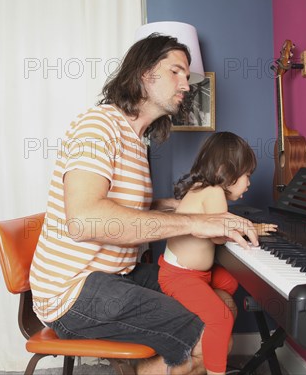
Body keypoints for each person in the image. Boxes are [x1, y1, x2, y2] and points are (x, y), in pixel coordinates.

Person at [29, 34, 259, 375]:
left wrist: (183, 208)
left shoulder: (135, 139)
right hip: (73, 290)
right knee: (212, 333)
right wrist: (196, 223)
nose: (187, 83)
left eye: (187, 75)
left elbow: (127, 204)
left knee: (220, 301)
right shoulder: (99, 126)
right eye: (176, 72)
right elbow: (85, 219)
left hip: (118, 274)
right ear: (143, 74)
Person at [158, 132, 278, 375]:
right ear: (226, 170)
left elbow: (219, 226)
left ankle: (207, 325)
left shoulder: (202, 188)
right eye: (247, 175)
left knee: (235, 279)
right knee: (221, 318)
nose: (249, 183)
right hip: (180, 278)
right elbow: (217, 234)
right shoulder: (212, 192)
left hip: (193, 274)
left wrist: (247, 226)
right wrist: (248, 229)